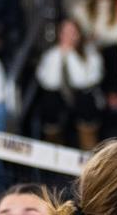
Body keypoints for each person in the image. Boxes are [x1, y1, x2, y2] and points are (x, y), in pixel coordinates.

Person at [34, 17, 105, 147]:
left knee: (85, 100)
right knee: (50, 101)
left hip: (84, 100)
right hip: (60, 100)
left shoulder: (91, 54)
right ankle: (53, 144)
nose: (68, 37)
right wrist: (59, 54)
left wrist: (71, 55)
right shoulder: (50, 55)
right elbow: (48, 83)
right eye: (64, 32)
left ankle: (88, 146)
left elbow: (83, 82)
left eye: (72, 33)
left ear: (79, 34)